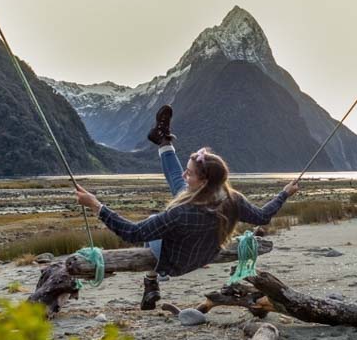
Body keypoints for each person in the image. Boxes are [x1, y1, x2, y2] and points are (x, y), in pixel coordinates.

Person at [75, 105, 299, 310]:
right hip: (204, 254)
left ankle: (151, 282)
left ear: (203, 182)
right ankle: (163, 140)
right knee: (179, 186)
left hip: (174, 263)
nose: (185, 174)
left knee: (158, 216)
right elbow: (263, 216)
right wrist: (285, 193)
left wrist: (96, 205)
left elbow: (133, 232)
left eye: (190, 172)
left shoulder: (180, 213)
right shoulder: (233, 199)